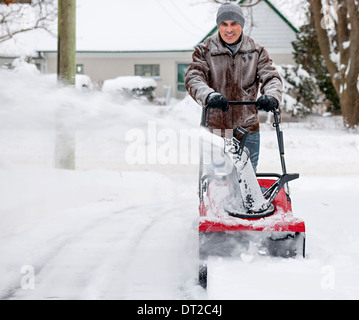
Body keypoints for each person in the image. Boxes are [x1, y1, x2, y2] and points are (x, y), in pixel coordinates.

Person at [185, 2, 283, 172]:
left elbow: (271, 77)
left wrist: (272, 96)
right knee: (219, 181)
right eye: (224, 24)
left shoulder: (256, 51)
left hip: (247, 129)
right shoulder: (204, 51)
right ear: (218, 26)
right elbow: (194, 78)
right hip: (215, 130)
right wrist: (209, 95)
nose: (229, 29)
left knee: (247, 180)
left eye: (234, 24)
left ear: (241, 25)